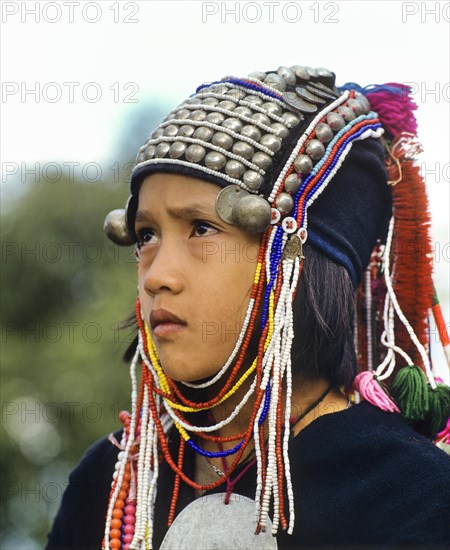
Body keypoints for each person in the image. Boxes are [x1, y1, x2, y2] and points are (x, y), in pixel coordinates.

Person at [46, 64, 450, 550]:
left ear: (297, 262)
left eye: (200, 228)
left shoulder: (414, 494)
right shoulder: (111, 483)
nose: (157, 276)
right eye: (146, 235)